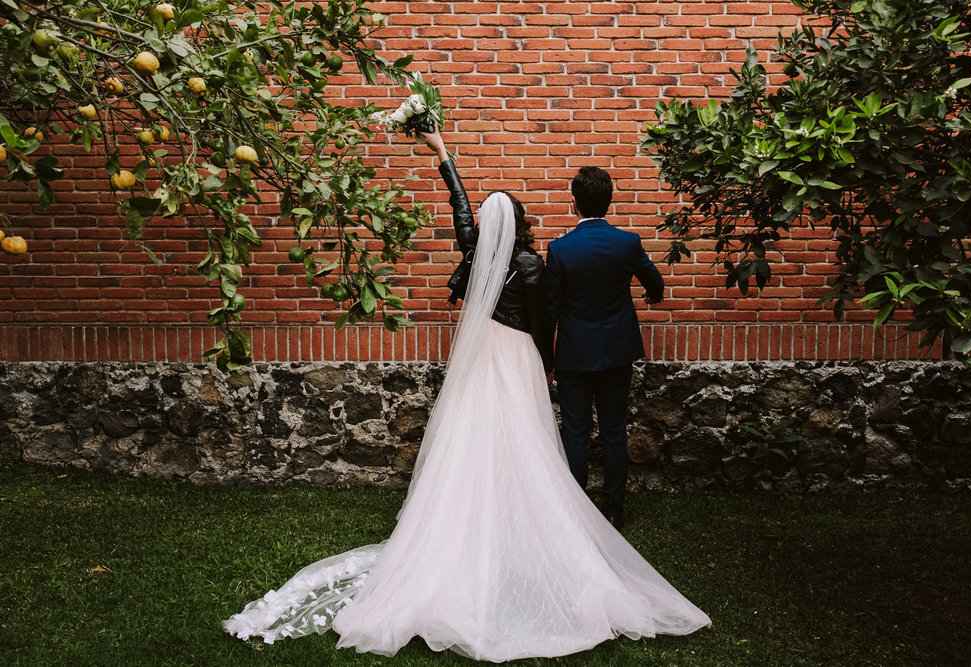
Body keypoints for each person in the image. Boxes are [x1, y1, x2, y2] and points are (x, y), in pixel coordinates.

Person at [223, 132, 709, 661]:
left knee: (480, 437)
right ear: (523, 223)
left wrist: (443, 156)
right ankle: (576, 516)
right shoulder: (534, 263)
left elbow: (461, 212)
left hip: (485, 359)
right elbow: (547, 317)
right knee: (538, 438)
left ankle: (484, 520)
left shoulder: (480, 253)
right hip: (532, 355)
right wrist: (547, 361)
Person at [546, 167, 665, 530]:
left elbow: (551, 309)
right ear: (609, 200)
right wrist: (652, 294)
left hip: (574, 355)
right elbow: (655, 282)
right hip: (616, 352)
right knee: (614, 431)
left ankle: (576, 509)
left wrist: (544, 356)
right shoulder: (627, 242)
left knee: (576, 433)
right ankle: (614, 509)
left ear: (574, 204)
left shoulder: (560, 249)